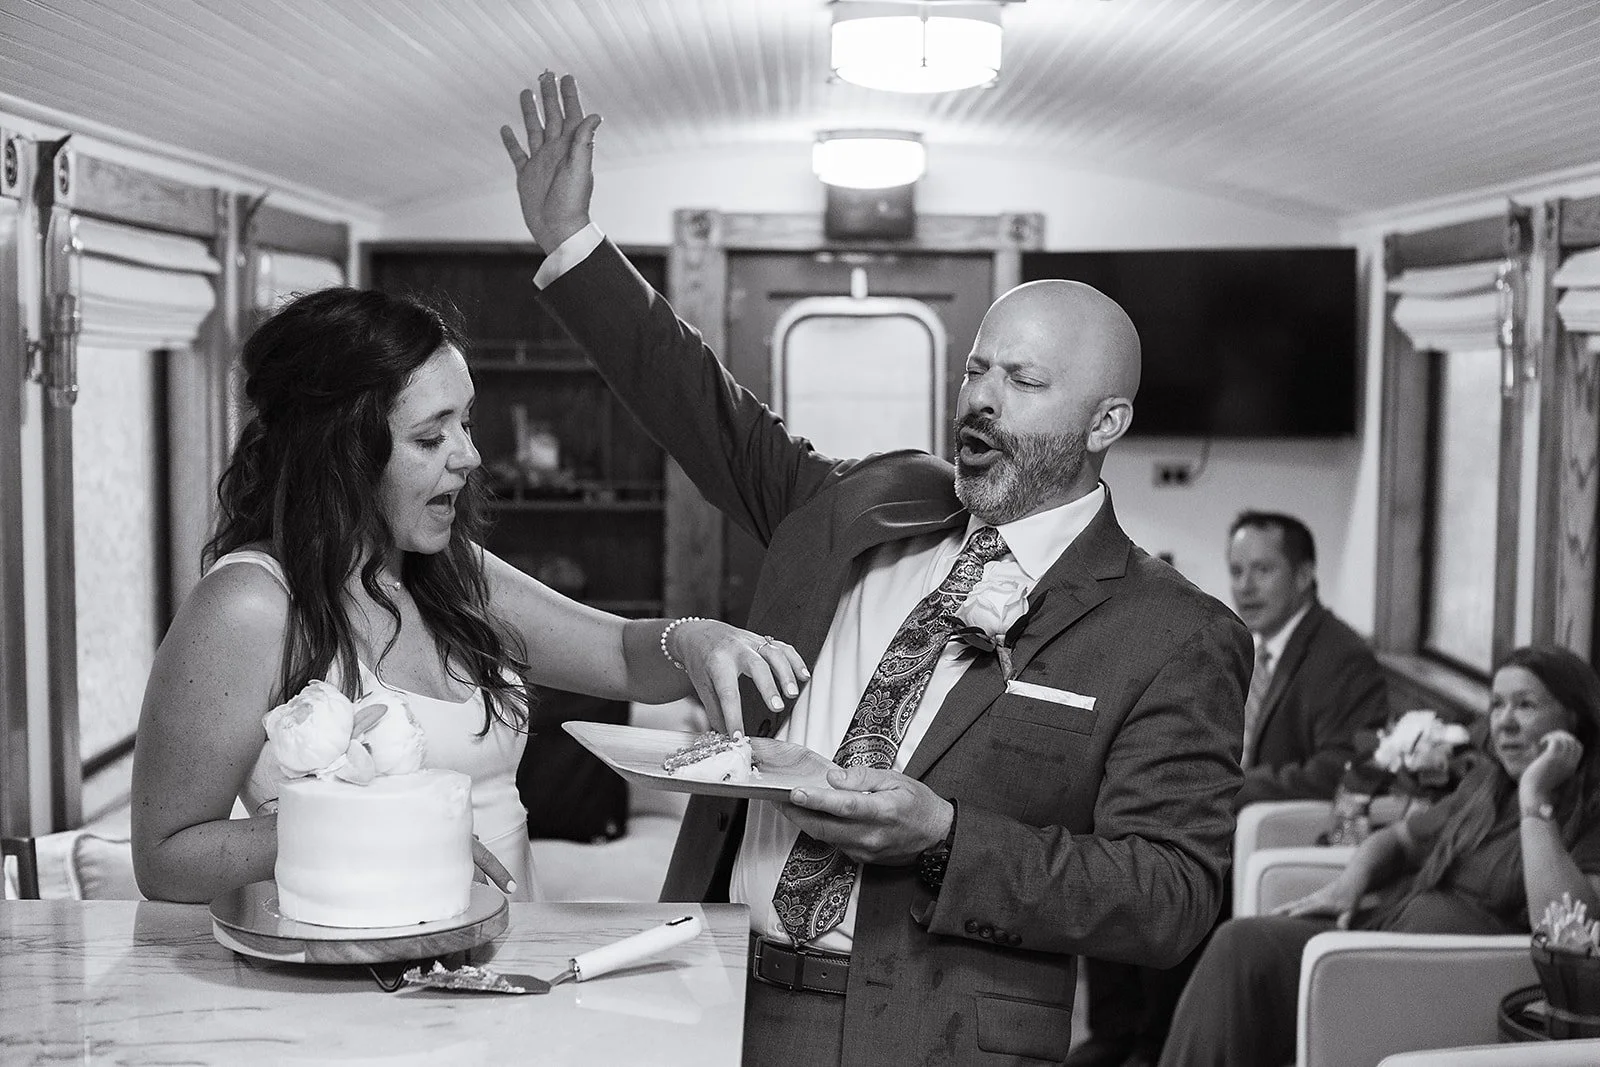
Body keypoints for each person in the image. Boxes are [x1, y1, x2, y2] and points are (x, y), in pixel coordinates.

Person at [500, 72, 1252, 1066]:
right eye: (977, 367)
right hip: (722, 984)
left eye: (1023, 381)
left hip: (940, 1030)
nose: (981, 398)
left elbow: (1170, 897)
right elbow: (702, 407)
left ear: (1105, 422)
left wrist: (945, 833)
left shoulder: (1170, 631)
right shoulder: (868, 500)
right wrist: (574, 244)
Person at [130, 285, 807, 905]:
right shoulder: (248, 606)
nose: (468, 456)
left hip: (512, 967)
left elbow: (622, 657)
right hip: (363, 988)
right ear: (336, 453)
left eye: (467, 423)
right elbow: (165, 857)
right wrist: (384, 821)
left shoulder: (451, 571)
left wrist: (691, 637)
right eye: (430, 436)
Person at [1159, 644, 1600, 1067]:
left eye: (1525, 705)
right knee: (1241, 944)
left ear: (1574, 720)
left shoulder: (1586, 812)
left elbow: (1568, 932)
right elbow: (1398, 841)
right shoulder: (1486, 784)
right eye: (1498, 704)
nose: (1504, 723)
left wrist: (1534, 800)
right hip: (1381, 929)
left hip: (1423, 976)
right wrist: (1348, 885)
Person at [1073, 511, 1390, 1066]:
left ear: (1307, 573)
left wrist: (1230, 788)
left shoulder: (1343, 657)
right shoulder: (1239, 640)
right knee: (1111, 839)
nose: (1244, 585)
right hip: (1218, 811)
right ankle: (1116, 1031)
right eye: (1237, 570)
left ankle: (1154, 1040)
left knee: (1167, 866)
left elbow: (1345, 768)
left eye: (1262, 570)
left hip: (1258, 832)